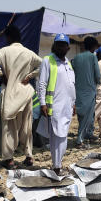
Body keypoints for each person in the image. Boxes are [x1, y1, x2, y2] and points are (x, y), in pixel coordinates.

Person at [0, 24, 42, 169]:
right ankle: (29, 156)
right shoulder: (28, 53)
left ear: (8, 37)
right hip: (25, 92)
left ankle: (9, 159)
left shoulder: (4, 51)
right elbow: (43, 65)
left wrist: (2, 74)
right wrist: (30, 76)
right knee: (27, 126)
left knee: (9, 127)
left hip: (10, 92)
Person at [36, 34, 76, 172]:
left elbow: (71, 85)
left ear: (68, 47)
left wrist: (74, 102)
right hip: (54, 106)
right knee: (56, 138)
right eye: (58, 44)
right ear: (54, 45)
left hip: (67, 107)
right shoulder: (48, 60)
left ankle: (58, 163)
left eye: (63, 44)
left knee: (63, 137)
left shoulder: (68, 64)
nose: (61, 47)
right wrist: (42, 103)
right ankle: (56, 166)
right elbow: (42, 83)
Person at [71, 36, 101, 148]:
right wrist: (98, 81)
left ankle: (88, 133)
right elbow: (98, 76)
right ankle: (80, 139)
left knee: (83, 115)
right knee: (87, 116)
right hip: (89, 91)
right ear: (93, 46)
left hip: (77, 91)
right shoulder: (93, 57)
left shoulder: (76, 57)